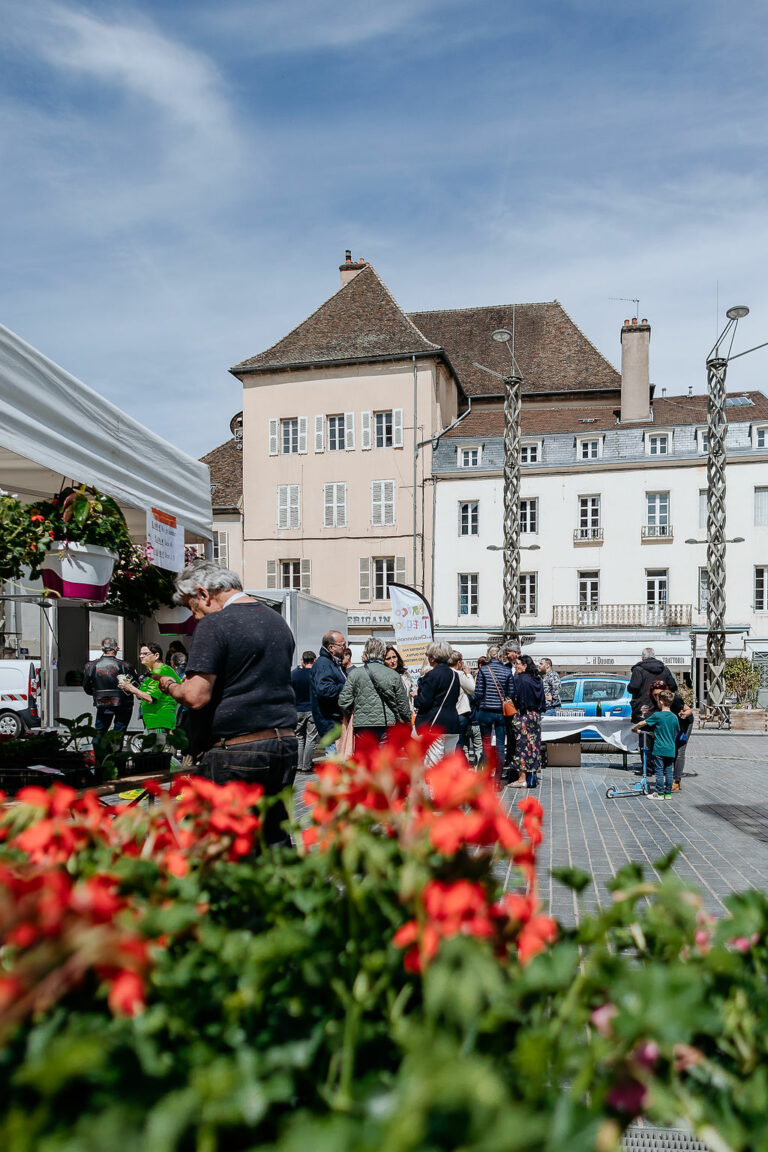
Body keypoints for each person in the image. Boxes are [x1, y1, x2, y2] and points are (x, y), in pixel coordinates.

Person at [156, 559, 298, 845]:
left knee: (232, 846)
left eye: (191, 606)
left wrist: (170, 685)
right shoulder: (276, 620)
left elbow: (196, 696)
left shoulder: (215, 624)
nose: (194, 617)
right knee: (274, 838)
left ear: (203, 594)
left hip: (236, 751)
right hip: (282, 742)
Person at [338, 637, 411, 744]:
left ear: (366, 653)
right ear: (382, 653)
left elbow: (343, 702)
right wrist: (407, 724)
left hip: (362, 725)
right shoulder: (393, 675)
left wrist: (353, 714)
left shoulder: (355, 673)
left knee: (365, 758)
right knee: (383, 759)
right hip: (387, 723)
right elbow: (402, 704)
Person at [83, 637, 136, 750]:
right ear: (116, 648)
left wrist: (96, 693)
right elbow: (135, 684)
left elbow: (87, 687)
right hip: (123, 703)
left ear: (103, 649)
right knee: (118, 733)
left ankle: (96, 757)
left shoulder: (91, 665)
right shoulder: (125, 665)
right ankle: (115, 757)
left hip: (102, 702)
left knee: (99, 731)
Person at [413, 641, 461, 766]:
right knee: (448, 763)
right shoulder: (454, 675)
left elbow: (424, 702)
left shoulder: (431, 675)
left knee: (433, 765)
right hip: (452, 724)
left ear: (433, 658)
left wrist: (415, 697)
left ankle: (433, 786)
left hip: (435, 725)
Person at [120, 643, 181, 739]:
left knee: (156, 750)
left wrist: (131, 688)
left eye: (145, 654)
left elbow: (151, 698)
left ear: (156, 655)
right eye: (140, 654)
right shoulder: (156, 672)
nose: (141, 656)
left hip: (159, 720)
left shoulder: (160, 672)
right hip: (155, 721)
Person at [473, 645, 512, 782]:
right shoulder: (507, 671)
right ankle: (497, 780)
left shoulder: (483, 670)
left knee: (486, 745)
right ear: (500, 656)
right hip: (501, 712)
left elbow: (477, 693)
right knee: (501, 746)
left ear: (488, 656)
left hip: (485, 711)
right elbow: (511, 693)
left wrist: (482, 703)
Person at [647, 678, 694, 792]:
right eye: (654, 694)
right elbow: (657, 710)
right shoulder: (655, 699)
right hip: (672, 725)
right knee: (671, 749)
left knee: (679, 751)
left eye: (658, 694)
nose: (656, 697)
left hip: (684, 723)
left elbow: (689, 710)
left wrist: (684, 714)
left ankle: (676, 782)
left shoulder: (675, 699)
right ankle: (674, 779)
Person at [508, 654, 547, 788]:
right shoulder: (537, 679)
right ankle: (532, 776)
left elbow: (514, 696)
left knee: (521, 746)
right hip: (535, 716)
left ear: (524, 665)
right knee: (533, 747)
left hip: (522, 715)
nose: (515, 666)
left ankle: (522, 778)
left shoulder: (519, 679)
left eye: (517, 664)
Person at [632, 689, 680, 799]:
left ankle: (659, 793)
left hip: (660, 748)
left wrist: (634, 728)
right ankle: (667, 793)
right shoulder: (674, 717)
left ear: (661, 701)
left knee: (659, 772)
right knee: (668, 772)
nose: (657, 702)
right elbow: (675, 731)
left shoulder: (657, 715)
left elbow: (642, 723)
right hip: (671, 749)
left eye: (658, 700)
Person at [310, 630, 347, 752]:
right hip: (331, 724)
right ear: (331, 647)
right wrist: (347, 686)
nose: (345, 648)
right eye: (342, 645)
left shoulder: (333, 663)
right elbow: (325, 691)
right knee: (334, 764)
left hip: (336, 722)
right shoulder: (323, 664)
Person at [628, 647, 677, 722]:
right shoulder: (664, 669)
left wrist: (629, 688)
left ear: (642, 658)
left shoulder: (638, 670)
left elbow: (634, 687)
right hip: (661, 707)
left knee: (642, 730)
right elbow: (673, 686)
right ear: (655, 657)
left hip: (643, 707)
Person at [448, 651, 477, 764]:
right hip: (460, 713)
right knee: (459, 743)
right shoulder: (459, 675)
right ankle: (461, 767)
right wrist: (468, 674)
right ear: (459, 662)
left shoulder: (446, 673)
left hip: (448, 713)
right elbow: (472, 688)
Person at [292, 651, 319, 773]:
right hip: (312, 710)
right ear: (314, 660)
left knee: (299, 738)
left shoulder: (293, 674)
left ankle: (298, 764)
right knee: (311, 738)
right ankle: (306, 765)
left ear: (302, 660)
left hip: (297, 710)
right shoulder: (316, 675)